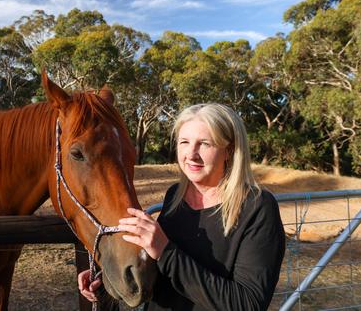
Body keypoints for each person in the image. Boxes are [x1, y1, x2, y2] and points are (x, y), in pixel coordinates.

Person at [78, 103, 285, 310]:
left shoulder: (257, 208)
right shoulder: (175, 196)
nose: (191, 154)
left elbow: (248, 304)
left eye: (205, 143)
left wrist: (166, 251)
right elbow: (166, 274)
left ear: (229, 150)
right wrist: (110, 276)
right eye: (184, 142)